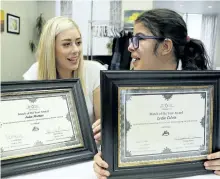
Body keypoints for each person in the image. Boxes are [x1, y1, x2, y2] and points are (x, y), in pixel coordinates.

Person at [93, 9, 220, 178]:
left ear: (165, 46)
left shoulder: (209, 93)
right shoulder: (123, 89)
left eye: (139, 39)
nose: (130, 47)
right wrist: (106, 153)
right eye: (132, 39)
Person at [23, 16, 105, 143]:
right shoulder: (34, 73)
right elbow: (28, 125)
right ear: (51, 49)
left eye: (78, 42)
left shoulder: (94, 72)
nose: (76, 50)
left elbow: (102, 128)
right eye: (67, 44)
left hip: (88, 153)